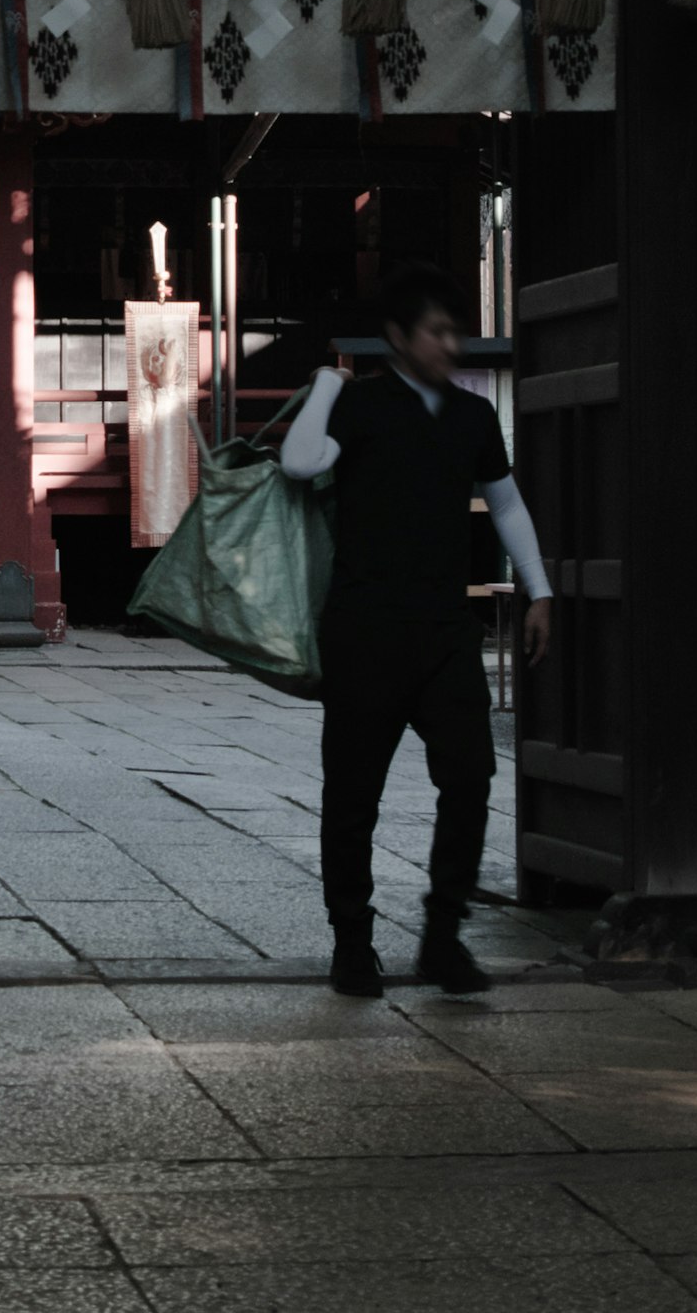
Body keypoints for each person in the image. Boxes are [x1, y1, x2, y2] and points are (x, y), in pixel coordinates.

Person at [281, 266, 554, 997]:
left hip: (444, 631)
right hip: (365, 629)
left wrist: (540, 590)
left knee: (471, 776)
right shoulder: (363, 407)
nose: (450, 343)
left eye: (454, 330)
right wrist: (330, 383)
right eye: (436, 330)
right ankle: (352, 942)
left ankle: (443, 938)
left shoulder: (470, 418)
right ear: (399, 339)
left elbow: (507, 506)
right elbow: (299, 462)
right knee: (353, 794)